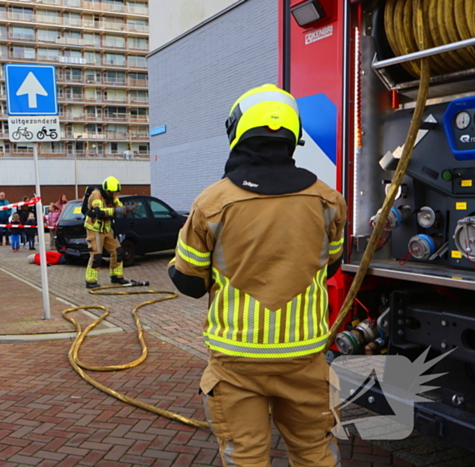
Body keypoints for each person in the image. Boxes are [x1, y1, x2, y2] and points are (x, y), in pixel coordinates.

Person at [168, 84, 347, 466]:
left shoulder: (212, 203)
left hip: (237, 363)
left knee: (246, 457)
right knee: (315, 454)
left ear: (237, 131)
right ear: (293, 136)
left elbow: (189, 283)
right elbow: (331, 264)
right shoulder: (328, 201)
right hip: (305, 358)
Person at [83, 176, 135, 288]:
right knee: (96, 256)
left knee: (118, 251)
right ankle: (90, 281)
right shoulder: (96, 195)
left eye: (113, 192)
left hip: (106, 228)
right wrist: (116, 210)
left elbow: (119, 206)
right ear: (105, 189)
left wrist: (125, 208)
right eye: (110, 192)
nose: (112, 194)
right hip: (94, 228)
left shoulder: (112, 195)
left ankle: (116, 276)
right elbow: (99, 212)